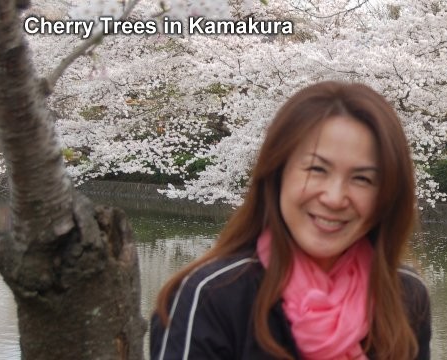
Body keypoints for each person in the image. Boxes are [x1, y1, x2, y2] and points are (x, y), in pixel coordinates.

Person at [150, 81, 432, 359]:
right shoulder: (212, 296)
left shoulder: (404, 295)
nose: (334, 198)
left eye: (362, 178)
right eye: (317, 169)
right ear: (277, 172)